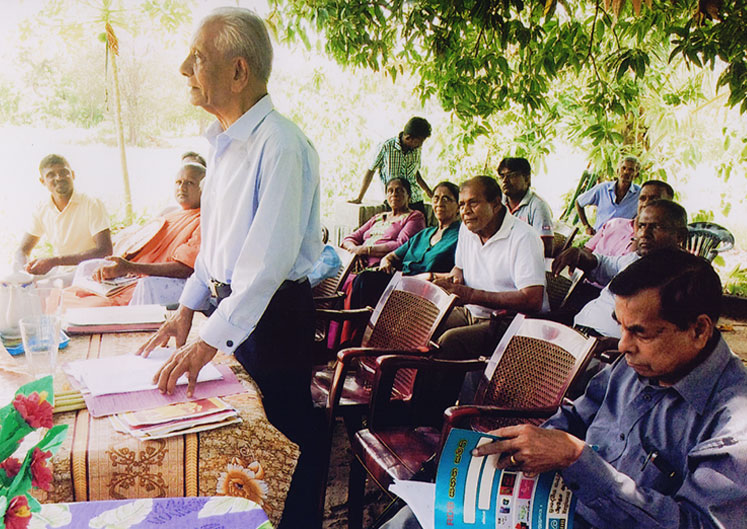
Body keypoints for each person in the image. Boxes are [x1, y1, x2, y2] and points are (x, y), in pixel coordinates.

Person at [382, 249, 747, 529]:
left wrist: (577, 461)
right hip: (547, 507)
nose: (622, 346)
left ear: (699, 330)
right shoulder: (634, 366)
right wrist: (530, 448)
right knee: (413, 518)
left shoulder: (734, 426)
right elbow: (575, 416)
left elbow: (697, 524)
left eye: (640, 332)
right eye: (620, 327)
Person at [135, 8, 322, 529]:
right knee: (237, 446)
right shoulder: (223, 144)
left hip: (273, 315)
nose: (183, 69)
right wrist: (187, 310)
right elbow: (216, 249)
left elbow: (265, 266)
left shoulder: (281, 145)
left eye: (197, 58)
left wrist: (207, 338)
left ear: (238, 72)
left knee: (276, 441)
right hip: (233, 310)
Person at [431, 175, 548, 362]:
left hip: (512, 322)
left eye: (473, 203)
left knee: (450, 342)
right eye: (461, 205)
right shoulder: (467, 229)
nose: (465, 211)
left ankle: (437, 392)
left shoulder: (524, 237)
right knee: (422, 324)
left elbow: (533, 300)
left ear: (495, 204)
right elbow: (459, 268)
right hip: (470, 312)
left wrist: (471, 295)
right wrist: (453, 281)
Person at [67, 162, 205, 307]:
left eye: (190, 183)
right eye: (178, 182)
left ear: (205, 189)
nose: (182, 188)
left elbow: (185, 268)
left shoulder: (204, 221)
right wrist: (116, 267)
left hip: (150, 282)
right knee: (72, 293)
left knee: (88, 308)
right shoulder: (171, 215)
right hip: (128, 279)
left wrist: (131, 267)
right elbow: (137, 248)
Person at [553, 199, 688, 338]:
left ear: (680, 236)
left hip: (608, 349)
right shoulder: (636, 258)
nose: (644, 234)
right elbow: (604, 264)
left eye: (656, 227)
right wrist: (580, 255)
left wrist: (623, 348)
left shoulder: (682, 278)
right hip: (579, 330)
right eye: (641, 226)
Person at [350, 181, 460, 310]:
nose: (440, 203)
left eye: (446, 199)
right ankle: (348, 326)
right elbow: (392, 255)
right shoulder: (425, 234)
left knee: (366, 281)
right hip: (401, 284)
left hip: (424, 291)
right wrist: (386, 261)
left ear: (458, 206)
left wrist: (430, 276)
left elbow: (457, 275)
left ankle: (356, 325)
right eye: (436, 198)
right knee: (363, 279)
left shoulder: (460, 237)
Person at [14, 154, 112, 283]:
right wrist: (21, 272)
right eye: (51, 175)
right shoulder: (42, 208)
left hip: (89, 273)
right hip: (61, 271)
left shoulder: (91, 204)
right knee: (14, 285)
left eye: (63, 172)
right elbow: (22, 249)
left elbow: (105, 251)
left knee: (44, 286)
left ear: (73, 175)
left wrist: (55, 261)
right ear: (42, 181)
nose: (59, 178)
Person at [348, 117, 433, 213]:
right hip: (395, 201)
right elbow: (371, 170)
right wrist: (359, 197)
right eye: (419, 141)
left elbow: (415, 173)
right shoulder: (386, 147)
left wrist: (429, 192)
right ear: (408, 137)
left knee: (421, 227)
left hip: (415, 201)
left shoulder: (417, 149)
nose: (421, 145)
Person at [340, 178, 426, 267]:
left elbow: (401, 245)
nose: (394, 194)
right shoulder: (379, 217)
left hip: (381, 267)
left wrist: (365, 250)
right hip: (357, 263)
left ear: (409, 195)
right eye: (390, 191)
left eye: (399, 190)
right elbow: (349, 238)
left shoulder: (415, 217)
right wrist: (355, 251)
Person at [585, 179, 674, 256]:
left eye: (654, 199)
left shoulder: (661, 241)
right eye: (642, 198)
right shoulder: (614, 224)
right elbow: (585, 252)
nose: (646, 203)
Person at [497, 157, 554, 256]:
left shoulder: (537, 206)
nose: (505, 181)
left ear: (527, 178)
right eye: (502, 176)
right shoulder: (498, 204)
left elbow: (546, 248)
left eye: (511, 175)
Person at [575, 155, 641, 235]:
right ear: (617, 171)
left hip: (621, 241)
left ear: (636, 175)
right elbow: (578, 202)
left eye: (631, 170)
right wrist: (587, 226)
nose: (626, 172)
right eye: (623, 168)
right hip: (598, 237)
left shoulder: (639, 194)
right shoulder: (603, 188)